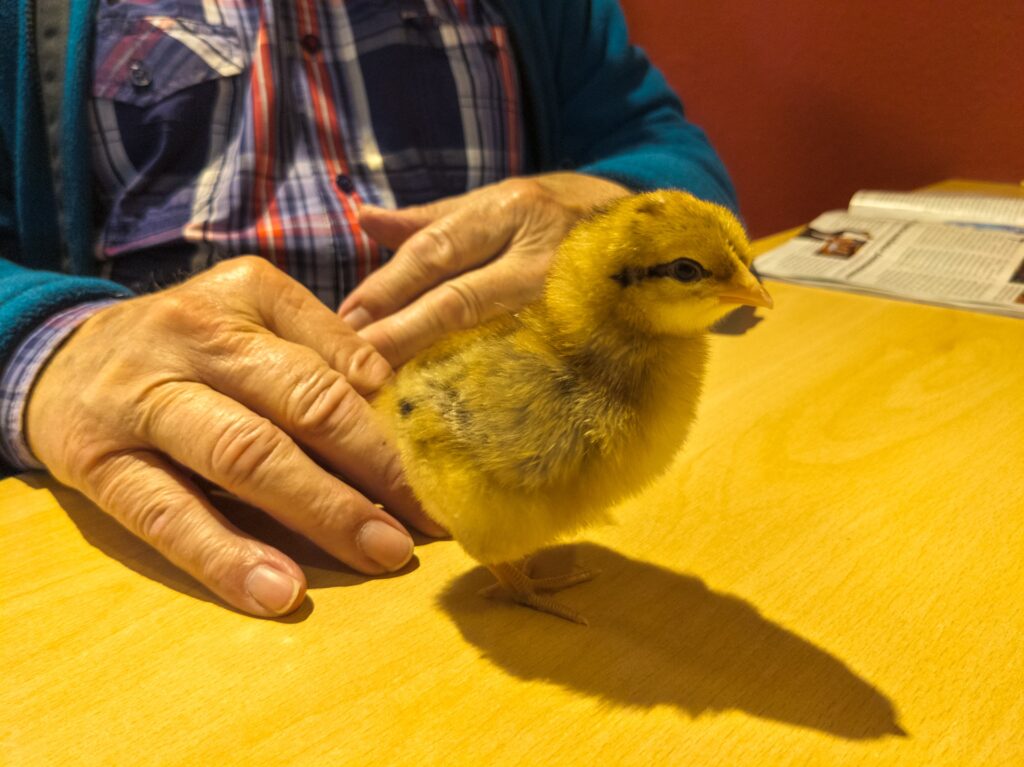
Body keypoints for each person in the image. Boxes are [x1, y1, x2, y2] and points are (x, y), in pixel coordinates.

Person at [0, 0, 737, 617]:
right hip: (178, 542)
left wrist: (603, 217)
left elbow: (664, 146)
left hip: (500, 497)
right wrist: (49, 343)